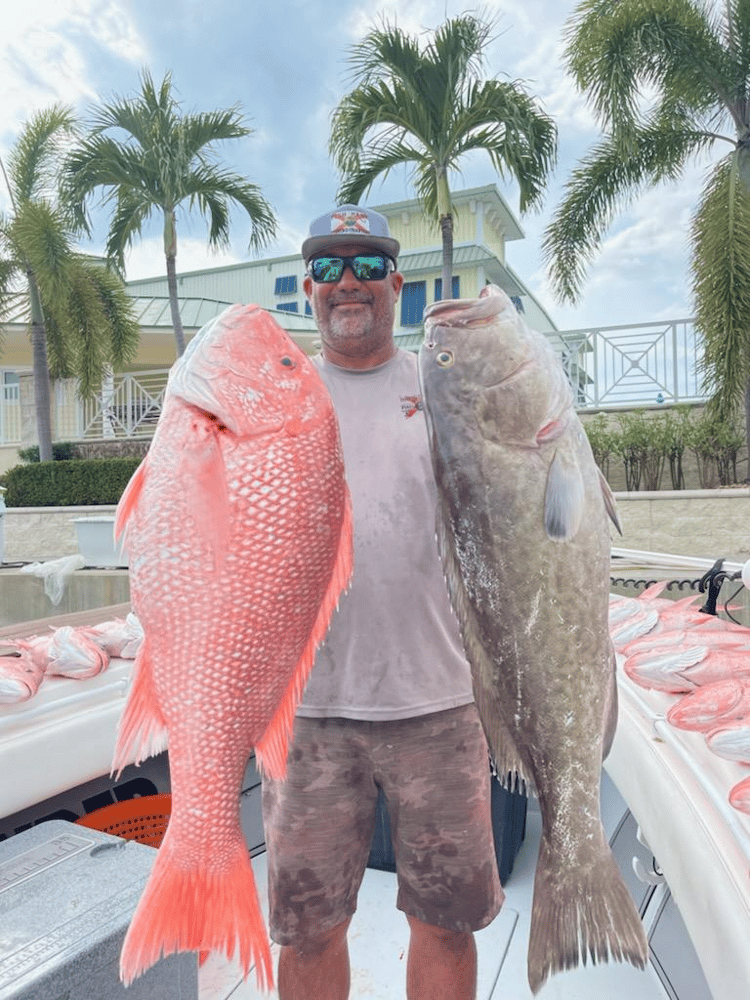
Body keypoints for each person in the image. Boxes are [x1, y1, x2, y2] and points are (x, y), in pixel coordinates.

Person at [261, 204, 503, 1000]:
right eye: (329, 268)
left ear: (397, 282)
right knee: (309, 927)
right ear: (308, 290)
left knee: (446, 923)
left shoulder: (442, 385)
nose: (349, 282)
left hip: (438, 703)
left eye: (367, 264)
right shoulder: (277, 396)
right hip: (306, 714)